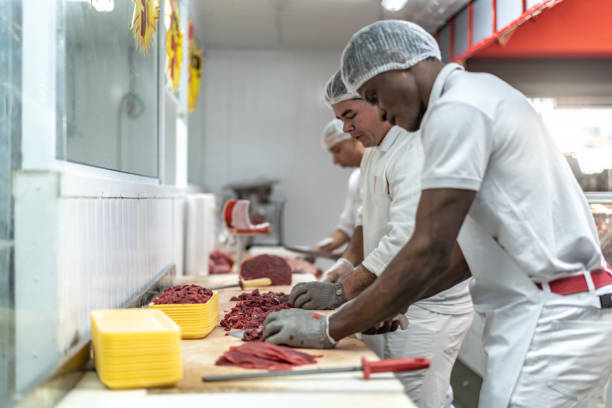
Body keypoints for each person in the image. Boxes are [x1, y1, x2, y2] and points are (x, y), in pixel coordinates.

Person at [266, 20, 612, 408]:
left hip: (555, 319)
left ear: (400, 64)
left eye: (374, 95)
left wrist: (331, 327)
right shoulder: (468, 100)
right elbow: (461, 256)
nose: (381, 111)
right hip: (545, 313)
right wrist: (395, 303)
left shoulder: (459, 108)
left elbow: (428, 247)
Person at [287, 70, 474, 407]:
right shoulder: (373, 153)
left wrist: (344, 290)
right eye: (339, 119)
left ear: (376, 100)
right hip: (393, 297)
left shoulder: (414, 150)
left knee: (416, 398)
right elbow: (364, 221)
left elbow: (404, 236)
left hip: (427, 305)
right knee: (391, 395)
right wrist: (345, 265)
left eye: (350, 115)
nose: (345, 128)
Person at [315, 120, 365, 266]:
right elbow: (347, 228)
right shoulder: (355, 179)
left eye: (337, 151)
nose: (335, 161)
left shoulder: (383, 171)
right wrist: (318, 249)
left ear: (354, 139)